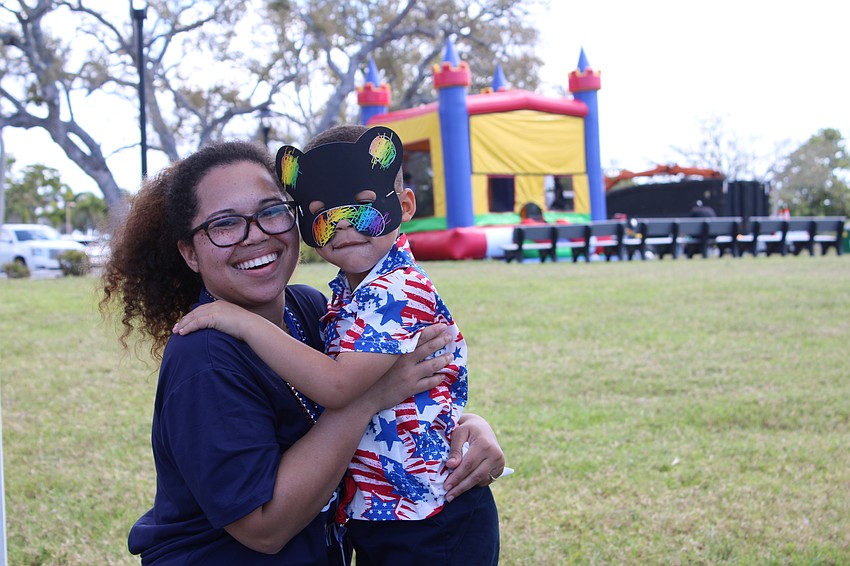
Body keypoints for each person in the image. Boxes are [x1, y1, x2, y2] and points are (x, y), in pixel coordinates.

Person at [99, 139, 506, 564]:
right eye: (224, 224)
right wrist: (369, 398)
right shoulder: (204, 359)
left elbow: (408, 387)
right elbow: (264, 530)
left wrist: (467, 429)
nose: (254, 235)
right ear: (190, 252)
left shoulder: (311, 308)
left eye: (272, 212)